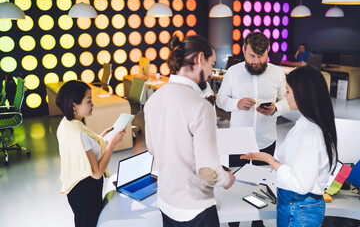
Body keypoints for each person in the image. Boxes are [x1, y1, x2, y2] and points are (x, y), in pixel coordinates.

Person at [144, 34, 235, 227]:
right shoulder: (200, 106)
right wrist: (227, 179)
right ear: (199, 59)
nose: (211, 73)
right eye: (211, 64)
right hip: (196, 208)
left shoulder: (153, 100)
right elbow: (208, 171)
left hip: (166, 202)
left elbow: (153, 150)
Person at [241, 66, 338, 227]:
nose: (284, 96)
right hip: (294, 205)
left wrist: (270, 160)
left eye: (287, 91)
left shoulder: (310, 135)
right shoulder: (305, 126)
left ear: (302, 94)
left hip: (299, 209)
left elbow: (300, 184)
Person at [56, 80, 126, 227]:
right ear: (74, 105)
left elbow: (84, 147)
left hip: (76, 189)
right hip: (86, 191)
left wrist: (101, 137)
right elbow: (97, 172)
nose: (92, 105)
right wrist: (112, 144)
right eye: (89, 101)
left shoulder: (66, 123)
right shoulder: (79, 133)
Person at [217, 32, 289, 167]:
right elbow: (220, 100)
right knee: (237, 181)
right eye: (252, 56)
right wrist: (236, 103)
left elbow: (286, 101)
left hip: (266, 140)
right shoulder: (233, 72)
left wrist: (276, 109)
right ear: (244, 51)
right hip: (238, 140)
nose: (256, 61)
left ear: (267, 52)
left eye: (261, 56)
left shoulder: (278, 73)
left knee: (262, 182)